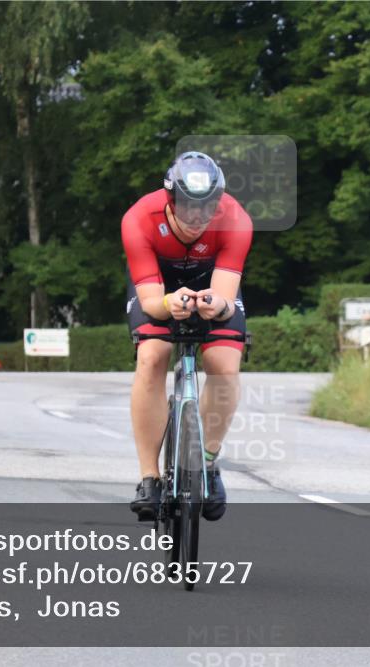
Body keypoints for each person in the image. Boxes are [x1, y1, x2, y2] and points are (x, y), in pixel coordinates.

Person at [122, 151, 253, 522]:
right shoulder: (138, 218)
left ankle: (207, 463)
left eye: (207, 207)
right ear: (170, 199)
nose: (198, 216)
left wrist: (218, 305)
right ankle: (149, 478)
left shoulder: (236, 219)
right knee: (152, 357)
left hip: (212, 283)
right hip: (158, 285)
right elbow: (151, 302)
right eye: (188, 206)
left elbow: (225, 298)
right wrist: (169, 302)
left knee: (224, 366)